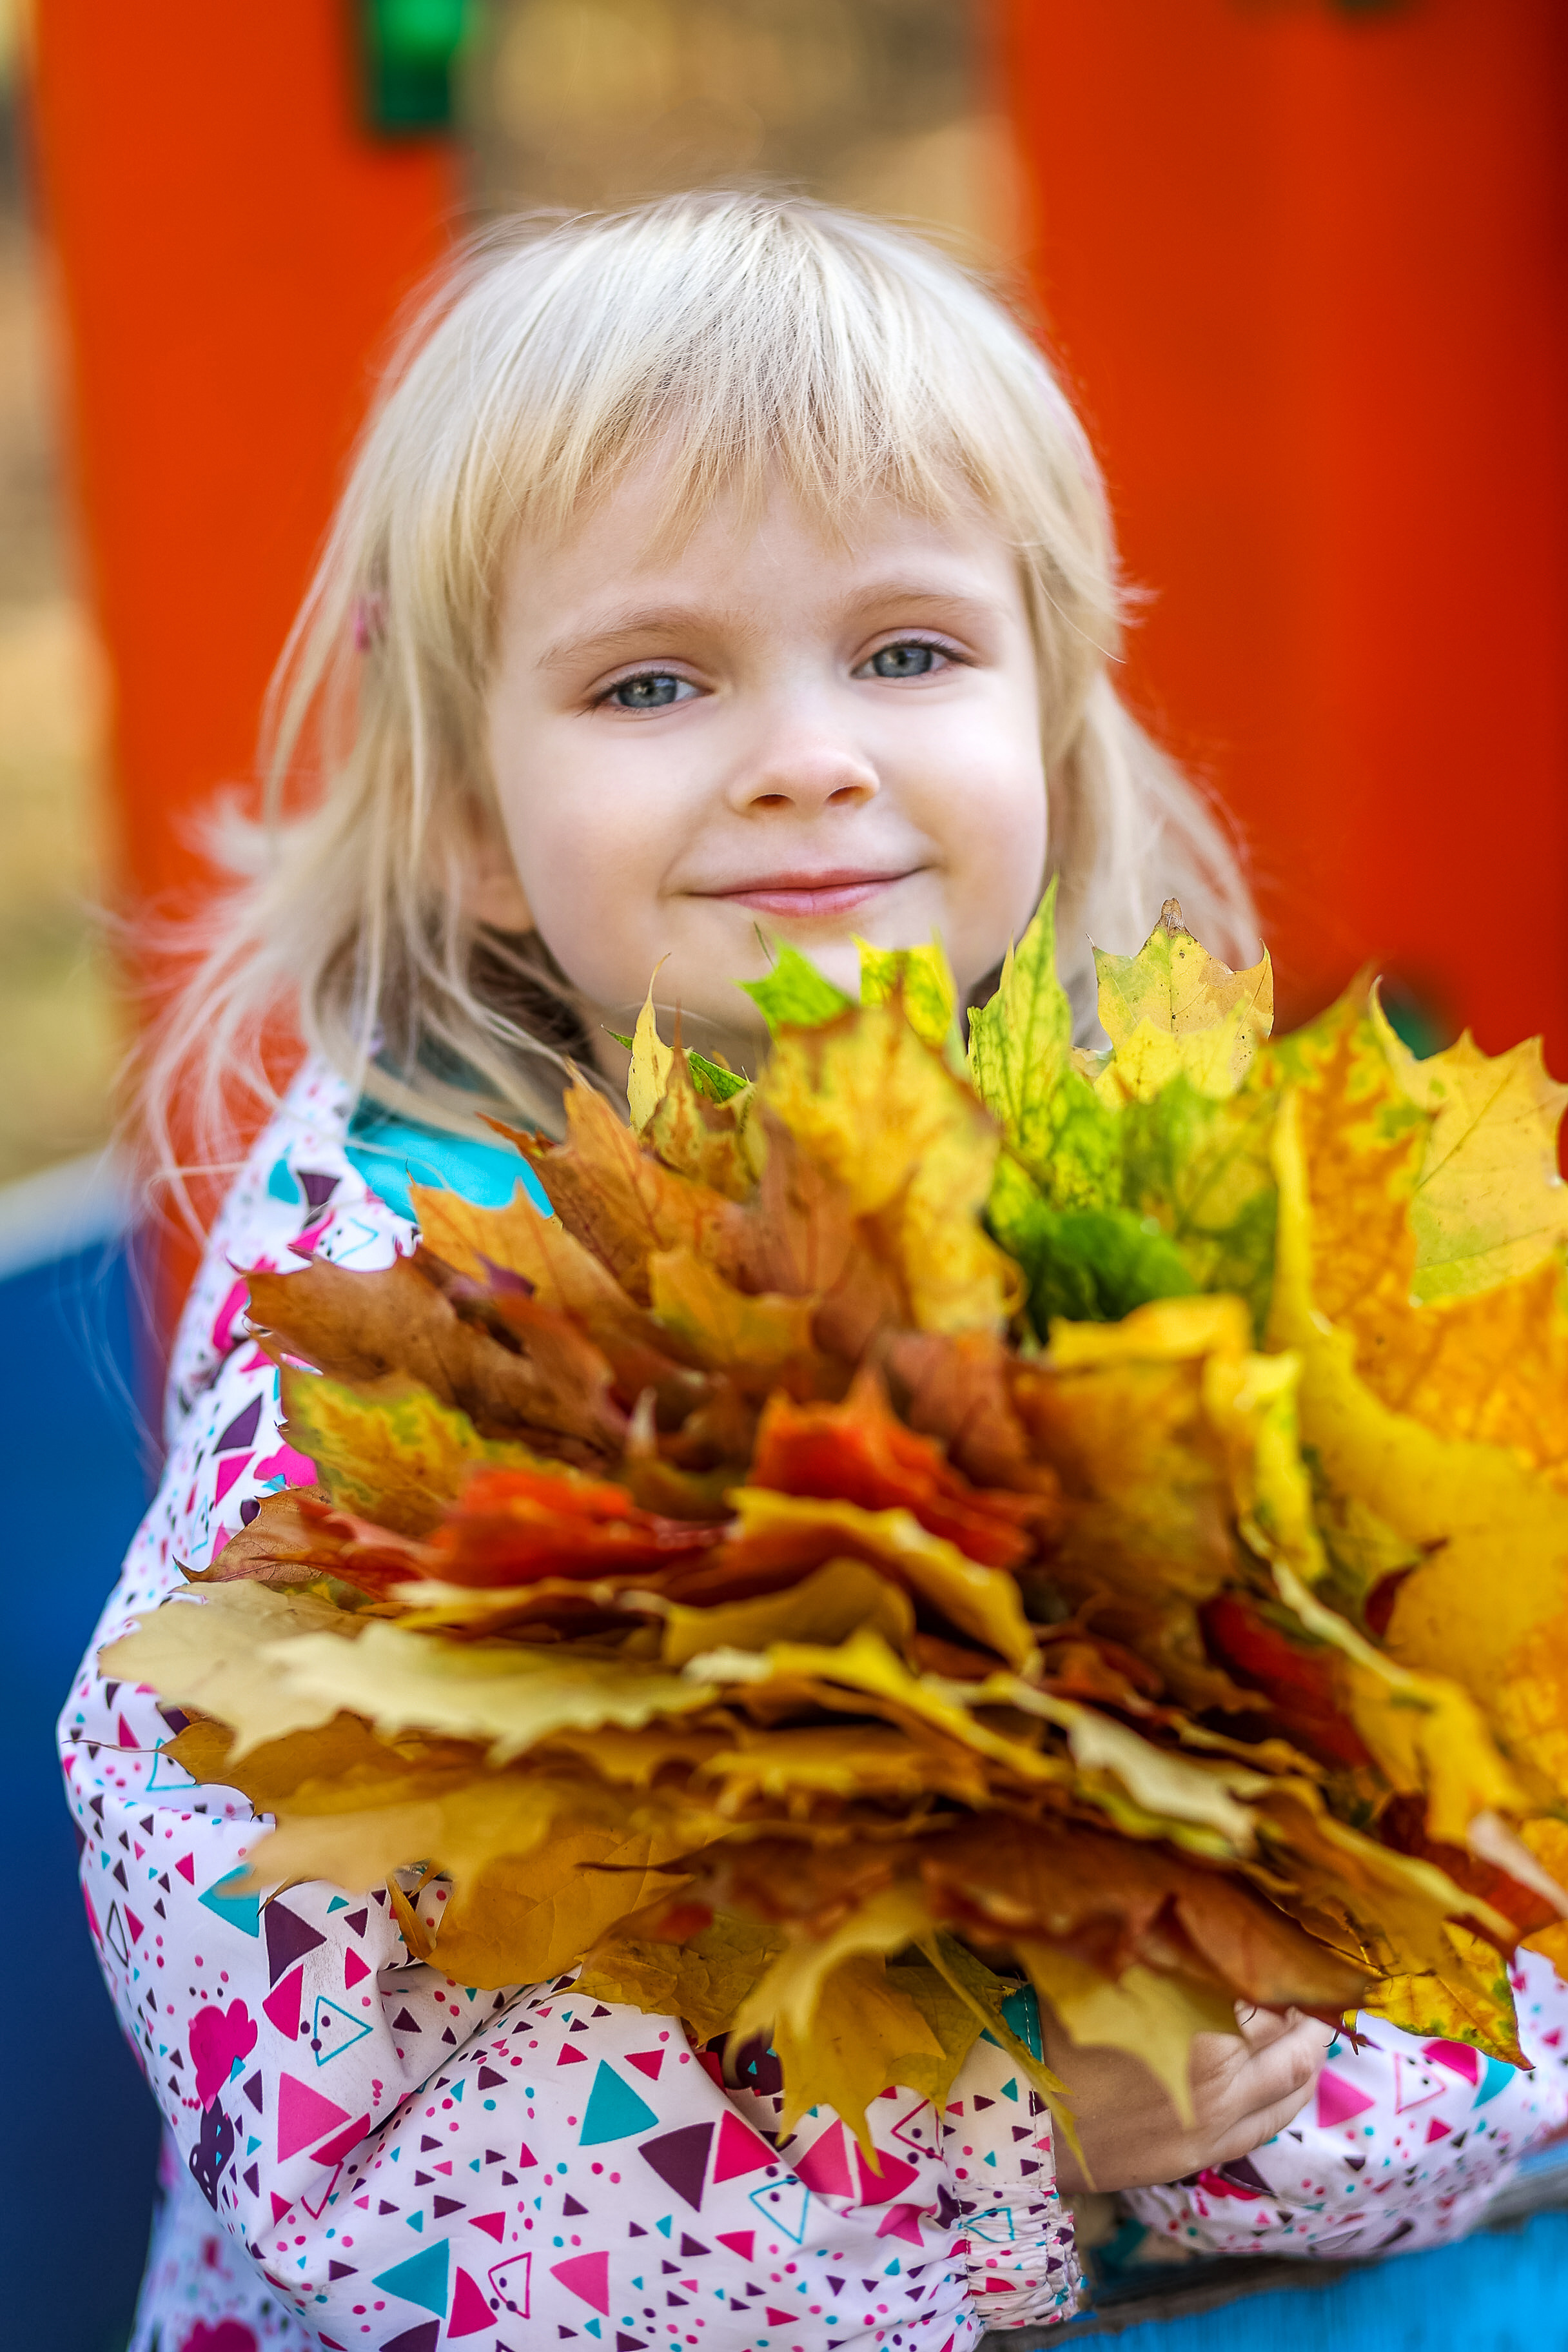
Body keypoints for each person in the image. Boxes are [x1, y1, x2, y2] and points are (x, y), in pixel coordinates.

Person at [62, 194, 1568, 2352]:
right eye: (654, 680)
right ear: (477, 818)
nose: (809, 753)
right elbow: (326, 2143)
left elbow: (1504, 1802)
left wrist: (1296, 2079)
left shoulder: (1172, 1211)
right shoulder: (385, 1363)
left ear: (1050, 719)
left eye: (908, 652)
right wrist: (1008, 2131)